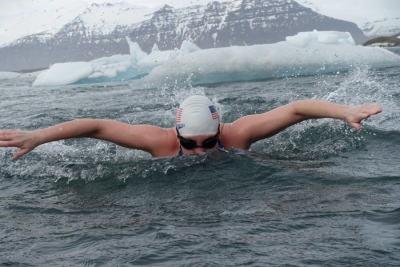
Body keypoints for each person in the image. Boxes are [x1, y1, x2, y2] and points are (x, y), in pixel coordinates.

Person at [0, 95, 382, 159]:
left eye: (209, 142)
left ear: (221, 131)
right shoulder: (158, 142)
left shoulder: (240, 133)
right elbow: (97, 126)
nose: (201, 152)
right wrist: (38, 136)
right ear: (176, 133)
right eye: (192, 144)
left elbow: (298, 109)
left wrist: (343, 112)